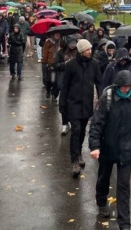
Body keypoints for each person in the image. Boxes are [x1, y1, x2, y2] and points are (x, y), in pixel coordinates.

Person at [89, 70, 131, 230]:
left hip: (127, 150)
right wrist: (95, 146)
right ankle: (101, 201)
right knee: (103, 178)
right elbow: (97, 123)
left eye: (129, 86)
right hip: (108, 148)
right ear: (118, 85)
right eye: (124, 87)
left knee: (124, 186)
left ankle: (125, 224)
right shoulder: (107, 97)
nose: (126, 89)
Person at [59, 39, 100, 177]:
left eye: (90, 49)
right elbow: (65, 85)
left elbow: (99, 83)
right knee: (76, 130)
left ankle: (79, 153)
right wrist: (62, 103)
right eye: (87, 50)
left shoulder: (94, 64)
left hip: (86, 103)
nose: (90, 51)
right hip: (73, 103)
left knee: (82, 130)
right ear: (81, 51)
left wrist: (101, 99)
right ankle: (74, 160)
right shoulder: (71, 65)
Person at [53, 35, 78, 135]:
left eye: (74, 45)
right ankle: (64, 123)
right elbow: (56, 65)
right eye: (70, 45)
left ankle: (71, 121)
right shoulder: (60, 53)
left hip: (74, 81)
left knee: (72, 104)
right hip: (63, 81)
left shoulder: (77, 53)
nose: (72, 47)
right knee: (63, 104)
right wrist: (66, 64)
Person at [41, 30, 61, 98]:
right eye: (56, 34)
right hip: (51, 64)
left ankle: (54, 94)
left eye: (58, 34)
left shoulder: (61, 42)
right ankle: (48, 90)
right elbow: (45, 53)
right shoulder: (48, 42)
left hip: (58, 64)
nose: (57, 35)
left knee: (57, 81)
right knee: (50, 80)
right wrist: (44, 63)